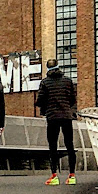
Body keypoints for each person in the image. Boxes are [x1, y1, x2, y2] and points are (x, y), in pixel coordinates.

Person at [36, 58, 77, 186]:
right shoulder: (68, 81)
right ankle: (72, 175)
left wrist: (42, 107)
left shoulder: (45, 82)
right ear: (58, 67)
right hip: (66, 116)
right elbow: (72, 99)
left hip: (52, 117)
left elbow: (41, 99)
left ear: (47, 69)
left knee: (52, 146)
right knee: (69, 145)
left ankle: (54, 175)